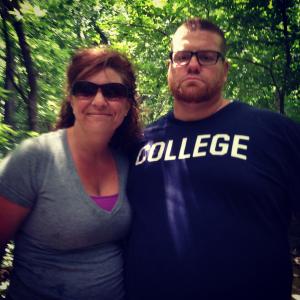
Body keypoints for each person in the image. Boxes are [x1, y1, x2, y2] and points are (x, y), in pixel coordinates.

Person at [125, 18, 300, 300]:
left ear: (225, 69)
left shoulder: (275, 132)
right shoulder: (139, 143)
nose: (193, 65)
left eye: (207, 56)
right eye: (182, 56)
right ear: (170, 66)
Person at [0, 47, 141, 300]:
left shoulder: (127, 160)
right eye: (85, 89)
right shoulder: (35, 157)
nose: (99, 101)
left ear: (128, 104)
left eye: (113, 92)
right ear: (72, 99)